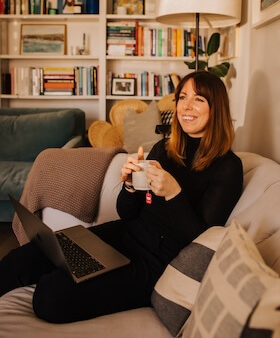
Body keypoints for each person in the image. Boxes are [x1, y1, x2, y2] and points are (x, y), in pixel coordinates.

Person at [0, 70, 243, 324]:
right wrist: (128, 186)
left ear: (216, 108)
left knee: (51, 297)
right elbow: (127, 213)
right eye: (182, 97)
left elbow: (199, 240)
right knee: (25, 257)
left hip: (155, 263)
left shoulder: (227, 167)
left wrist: (174, 193)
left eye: (198, 100)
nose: (186, 107)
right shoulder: (164, 149)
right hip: (124, 235)